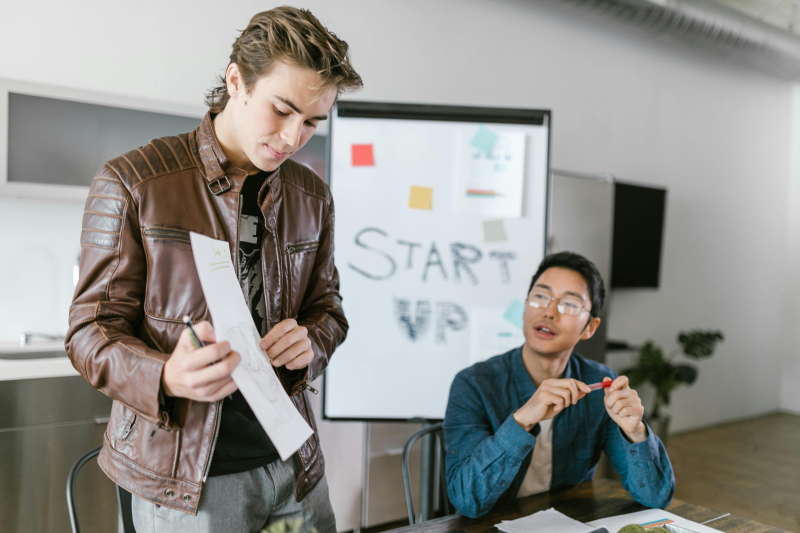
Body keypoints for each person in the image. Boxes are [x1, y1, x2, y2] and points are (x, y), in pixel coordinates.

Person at [65, 7, 362, 532]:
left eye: (312, 122)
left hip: (295, 467)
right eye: (282, 110)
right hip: (187, 485)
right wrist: (165, 375)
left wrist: (311, 341)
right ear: (235, 80)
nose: (293, 138)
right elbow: (89, 333)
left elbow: (329, 311)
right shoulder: (133, 183)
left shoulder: (312, 196)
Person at [443, 252, 675, 518]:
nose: (549, 312)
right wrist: (523, 420)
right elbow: (466, 500)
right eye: (540, 297)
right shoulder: (473, 384)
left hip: (569, 523)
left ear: (589, 327)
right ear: (525, 307)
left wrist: (636, 433)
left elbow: (656, 497)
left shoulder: (601, 384)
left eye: (569, 304)